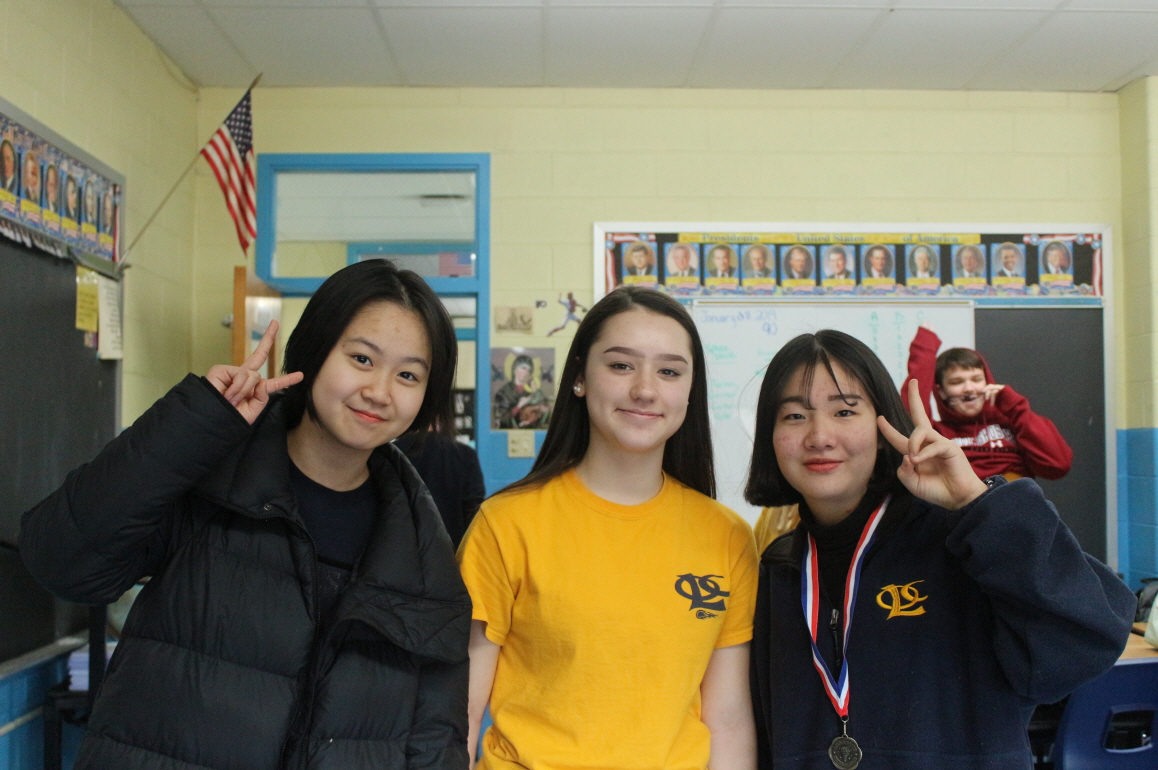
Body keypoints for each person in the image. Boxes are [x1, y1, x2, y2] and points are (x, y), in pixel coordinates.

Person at [20, 260, 472, 770]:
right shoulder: (212, 478)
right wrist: (193, 425)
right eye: (362, 359)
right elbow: (61, 561)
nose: (380, 391)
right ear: (315, 350)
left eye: (408, 375)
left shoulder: (422, 553)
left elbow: (435, 739)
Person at [745, 330, 1134, 770]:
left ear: (883, 427)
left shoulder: (963, 541)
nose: (820, 436)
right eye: (795, 416)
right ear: (769, 434)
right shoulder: (777, 567)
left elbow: (1086, 642)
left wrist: (978, 503)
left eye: (845, 411)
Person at [459, 287, 758, 770]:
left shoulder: (728, 537)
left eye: (669, 371)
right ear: (579, 377)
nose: (645, 389)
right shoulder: (505, 524)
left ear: (690, 390)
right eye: (621, 365)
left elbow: (727, 720)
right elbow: (462, 713)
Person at [906, 324, 1072, 481]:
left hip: (1013, 497)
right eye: (957, 382)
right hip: (963, 499)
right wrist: (924, 351)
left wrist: (1016, 408)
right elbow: (912, 406)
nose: (969, 388)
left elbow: (1057, 465)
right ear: (941, 391)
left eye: (977, 379)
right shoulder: (937, 433)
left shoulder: (1012, 424)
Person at [394, 430, 485, 548]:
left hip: (402, 543)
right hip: (452, 544)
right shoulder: (464, 453)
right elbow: (473, 505)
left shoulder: (392, 452)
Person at [492, 353, 552, 429]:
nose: (526, 372)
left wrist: (540, 409)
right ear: (514, 370)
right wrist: (518, 406)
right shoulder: (504, 393)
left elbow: (548, 416)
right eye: (523, 368)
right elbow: (500, 419)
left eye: (529, 370)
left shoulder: (537, 392)